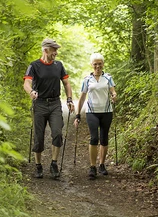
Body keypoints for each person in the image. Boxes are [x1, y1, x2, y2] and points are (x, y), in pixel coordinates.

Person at [23, 38, 75, 179]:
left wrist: (69, 99)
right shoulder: (34, 66)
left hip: (55, 104)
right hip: (39, 103)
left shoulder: (59, 65)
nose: (56, 53)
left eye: (57, 50)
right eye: (54, 50)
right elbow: (27, 83)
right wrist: (31, 92)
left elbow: (66, 84)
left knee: (57, 133)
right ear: (46, 50)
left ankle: (54, 163)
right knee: (39, 137)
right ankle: (38, 166)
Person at [74, 53, 117, 180]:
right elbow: (82, 98)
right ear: (91, 65)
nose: (98, 66)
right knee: (94, 138)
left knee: (104, 139)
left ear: (103, 64)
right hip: (91, 112)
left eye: (100, 64)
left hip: (106, 111)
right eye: (95, 64)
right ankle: (92, 167)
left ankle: (102, 165)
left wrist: (114, 96)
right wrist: (77, 115)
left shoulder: (108, 78)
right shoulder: (87, 80)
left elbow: (113, 91)